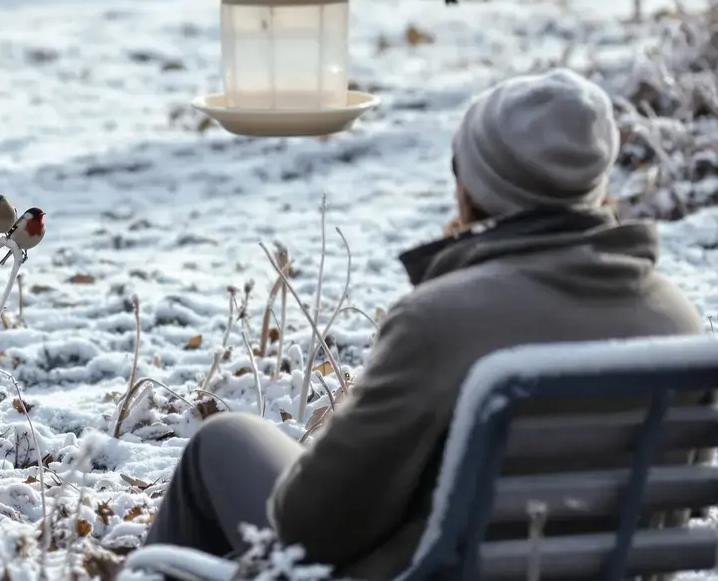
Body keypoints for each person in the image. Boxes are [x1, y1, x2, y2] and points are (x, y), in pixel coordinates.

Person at [142, 68, 705, 579]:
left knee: (219, 444)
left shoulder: (444, 321)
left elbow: (310, 529)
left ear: (473, 186)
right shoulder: (677, 322)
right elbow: (671, 514)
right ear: (597, 184)